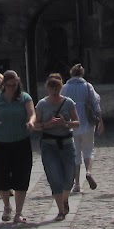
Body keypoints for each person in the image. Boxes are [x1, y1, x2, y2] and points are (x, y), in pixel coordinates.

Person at [0, 69, 35, 224]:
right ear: (4, 85)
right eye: (9, 85)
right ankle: (7, 205)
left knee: (21, 176)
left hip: (21, 141)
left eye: (15, 85)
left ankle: (18, 212)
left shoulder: (24, 97)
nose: (12, 88)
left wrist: (31, 121)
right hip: (0, 143)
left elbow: (32, 112)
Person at [34, 73, 80, 220]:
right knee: (54, 177)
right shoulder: (42, 104)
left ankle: (64, 199)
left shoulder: (68, 102)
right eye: (51, 87)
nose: (54, 90)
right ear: (47, 88)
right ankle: (60, 210)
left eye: (57, 87)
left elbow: (77, 122)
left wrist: (65, 123)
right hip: (49, 145)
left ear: (61, 87)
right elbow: (36, 125)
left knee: (69, 178)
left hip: (66, 143)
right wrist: (48, 125)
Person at [60, 63, 104, 192]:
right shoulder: (87, 86)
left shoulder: (65, 87)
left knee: (75, 153)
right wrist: (100, 121)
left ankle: (77, 184)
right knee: (88, 150)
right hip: (87, 122)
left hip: (71, 123)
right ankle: (89, 172)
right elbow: (96, 103)